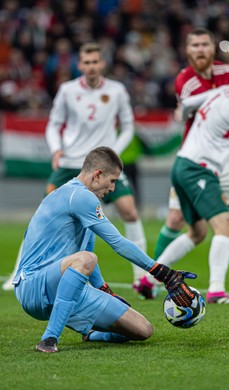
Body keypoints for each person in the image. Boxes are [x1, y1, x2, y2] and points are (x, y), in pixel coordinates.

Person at [134, 29, 229, 302]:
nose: (200, 49)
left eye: (205, 44)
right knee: (211, 225)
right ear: (188, 50)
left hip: (206, 161)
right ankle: (212, 289)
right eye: (195, 45)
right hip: (203, 163)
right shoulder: (188, 81)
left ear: (212, 48)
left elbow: (195, 107)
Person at [13, 147, 197, 353]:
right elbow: (117, 242)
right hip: (33, 286)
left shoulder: (84, 200)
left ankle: (90, 334)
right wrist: (162, 272)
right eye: (113, 181)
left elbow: (88, 249)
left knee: (142, 330)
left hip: (66, 285)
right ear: (97, 174)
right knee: (86, 259)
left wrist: (102, 289)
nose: (112, 188)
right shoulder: (79, 196)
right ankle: (49, 339)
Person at [3, 42, 147, 291]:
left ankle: (142, 279)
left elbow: (128, 126)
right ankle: (19, 271)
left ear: (102, 63)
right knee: (42, 215)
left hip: (102, 163)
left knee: (130, 211)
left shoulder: (117, 91)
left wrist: (114, 153)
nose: (91, 67)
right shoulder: (68, 90)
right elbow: (54, 123)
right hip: (71, 163)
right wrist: (56, 148)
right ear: (80, 65)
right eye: (86, 62)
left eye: (95, 62)